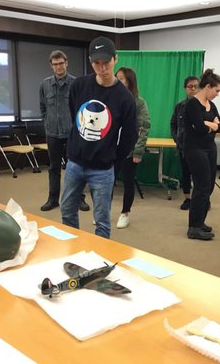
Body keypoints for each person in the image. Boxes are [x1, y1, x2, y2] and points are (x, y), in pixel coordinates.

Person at [60, 36, 138, 239]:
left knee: (102, 220)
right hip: (75, 163)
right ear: (90, 62)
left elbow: (130, 136)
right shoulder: (79, 85)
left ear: (115, 59)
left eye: (106, 62)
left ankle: (99, 262)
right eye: (97, 63)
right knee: (67, 211)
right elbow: (75, 116)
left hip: (102, 169)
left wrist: (113, 159)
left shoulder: (125, 98)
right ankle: (72, 251)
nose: (102, 68)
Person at [39, 50, 90, 212]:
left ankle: (79, 198)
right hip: (52, 134)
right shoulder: (45, 85)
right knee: (54, 168)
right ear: (51, 66)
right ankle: (53, 199)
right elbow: (43, 108)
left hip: (72, 134)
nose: (58, 67)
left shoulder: (76, 83)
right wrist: (48, 124)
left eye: (61, 63)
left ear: (66, 63)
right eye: (55, 64)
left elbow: (82, 109)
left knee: (75, 167)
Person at [183, 69, 220, 240]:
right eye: (217, 91)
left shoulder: (211, 105)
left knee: (209, 186)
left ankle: (200, 222)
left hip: (209, 148)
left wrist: (209, 124)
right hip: (194, 149)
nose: (217, 95)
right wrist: (210, 124)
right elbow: (199, 128)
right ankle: (193, 227)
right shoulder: (192, 105)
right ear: (208, 86)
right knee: (201, 186)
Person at [114, 67, 151, 229]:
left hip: (129, 150)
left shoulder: (139, 102)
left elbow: (144, 127)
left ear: (129, 81)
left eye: (121, 78)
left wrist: (138, 151)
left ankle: (125, 213)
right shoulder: (111, 98)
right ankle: (102, 212)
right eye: (117, 78)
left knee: (128, 182)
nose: (118, 81)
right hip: (111, 149)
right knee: (107, 181)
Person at [170, 76, 200, 210]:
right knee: (186, 173)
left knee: (200, 175)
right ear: (185, 88)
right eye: (190, 86)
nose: (193, 89)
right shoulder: (180, 106)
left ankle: (202, 199)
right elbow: (173, 123)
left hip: (200, 148)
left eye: (195, 86)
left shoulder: (204, 104)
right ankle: (187, 198)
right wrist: (177, 138)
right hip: (184, 147)